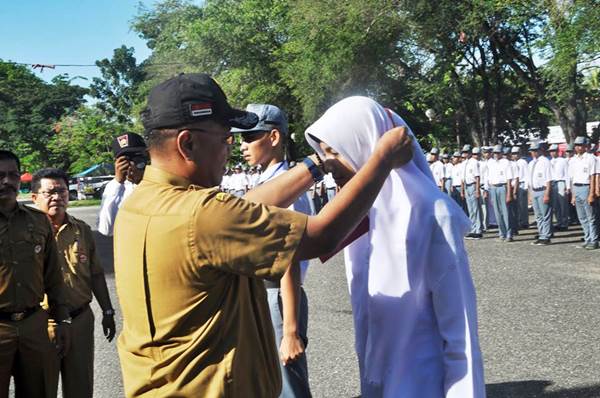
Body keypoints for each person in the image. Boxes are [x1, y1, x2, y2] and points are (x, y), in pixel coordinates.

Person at [112, 73, 413, 397]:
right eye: (225, 138)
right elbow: (320, 235)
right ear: (188, 143)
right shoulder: (202, 215)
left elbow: (242, 208)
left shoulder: (138, 205)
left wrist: (318, 163)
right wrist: (383, 158)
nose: (231, 149)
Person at [305, 96, 485, 398]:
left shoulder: (430, 213)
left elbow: (461, 336)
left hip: (423, 386)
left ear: (365, 142)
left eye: (335, 149)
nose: (329, 163)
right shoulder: (359, 216)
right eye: (323, 153)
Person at [235, 103, 313, 397]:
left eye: (250, 137)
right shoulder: (265, 182)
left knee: (288, 386)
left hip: (279, 296)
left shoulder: (285, 188)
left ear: (274, 137)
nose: (243, 145)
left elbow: (289, 261)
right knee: (268, 382)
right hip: (263, 293)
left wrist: (290, 331)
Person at [31, 168, 116, 398]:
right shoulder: (27, 232)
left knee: (80, 387)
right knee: (41, 388)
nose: (57, 197)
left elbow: (97, 274)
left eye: (62, 191)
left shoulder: (82, 230)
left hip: (80, 319)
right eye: (49, 192)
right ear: (34, 197)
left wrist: (107, 310)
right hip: (41, 323)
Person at [0, 150, 71, 398]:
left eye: (12, 175)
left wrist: (62, 319)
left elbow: (53, 275)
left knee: (39, 391)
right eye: (0, 175)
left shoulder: (38, 221)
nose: (7, 181)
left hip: (33, 326)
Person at [97, 133, 147, 236]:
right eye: (125, 160)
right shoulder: (114, 188)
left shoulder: (156, 181)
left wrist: (141, 181)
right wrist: (118, 182)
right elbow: (106, 229)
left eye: (137, 157)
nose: (132, 163)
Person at [569, 136, 598, 249]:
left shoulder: (590, 158)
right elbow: (572, 178)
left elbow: (592, 177)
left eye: (580, 145)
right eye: (576, 145)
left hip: (586, 187)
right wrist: (572, 195)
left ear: (586, 146)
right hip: (577, 187)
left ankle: (594, 239)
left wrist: (591, 194)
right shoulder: (573, 160)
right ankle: (587, 238)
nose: (578, 147)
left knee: (591, 216)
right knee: (582, 217)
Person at [487, 145, 514, 242]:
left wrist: (509, 194)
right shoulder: (491, 163)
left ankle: (509, 234)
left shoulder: (506, 162)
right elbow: (489, 178)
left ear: (502, 153)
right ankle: (501, 233)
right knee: (497, 212)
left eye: (498, 153)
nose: (496, 154)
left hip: (503, 187)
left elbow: (509, 179)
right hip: (493, 187)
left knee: (505, 212)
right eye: (495, 153)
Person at [528, 142, 553, 245]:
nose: (533, 153)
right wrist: (530, 194)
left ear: (540, 150)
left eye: (535, 151)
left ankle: (546, 236)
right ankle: (541, 233)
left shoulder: (545, 161)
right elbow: (529, 180)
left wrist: (547, 193)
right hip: (534, 190)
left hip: (543, 190)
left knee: (545, 214)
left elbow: (548, 179)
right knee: (538, 215)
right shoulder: (531, 163)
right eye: (532, 151)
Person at [461, 145, 483, 239]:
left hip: (473, 185)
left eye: (466, 152)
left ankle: (478, 230)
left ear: (470, 152)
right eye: (464, 152)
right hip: (466, 185)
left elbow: (477, 177)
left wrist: (477, 190)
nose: (465, 154)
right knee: (471, 209)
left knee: (476, 209)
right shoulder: (464, 163)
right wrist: (462, 190)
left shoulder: (474, 162)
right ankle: (473, 229)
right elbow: (462, 178)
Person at [549, 144, 569, 231]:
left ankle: (564, 223)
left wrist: (567, 186)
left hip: (561, 182)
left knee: (563, 204)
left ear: (557, 151)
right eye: (551, 151)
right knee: (555, 205)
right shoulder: (550, 161)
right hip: (553, 183)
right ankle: (559, 222)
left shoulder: (563, 161)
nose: (552, 153)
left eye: (554, 151)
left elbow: (567, 174)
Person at [512, 146, 530, 229]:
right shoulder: (513, 163)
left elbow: (527, 174)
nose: (514, 155)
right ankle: (519, 221)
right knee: (517, 205)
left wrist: (526, 186)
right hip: (515, 184)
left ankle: (524, 222)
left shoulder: (523, 162)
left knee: (523, 205)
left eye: (516, 153)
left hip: (522, 183)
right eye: (513, 154)